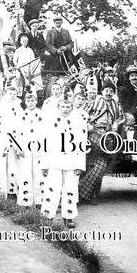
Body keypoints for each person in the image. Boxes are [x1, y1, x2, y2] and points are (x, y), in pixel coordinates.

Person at [40, 96, 87, 228]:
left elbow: (82, 145)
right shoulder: (50, 123)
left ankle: (69, 216)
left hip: (72, 161)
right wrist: (45, 164)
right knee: (52, 188)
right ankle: (47, 216)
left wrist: (80, 165)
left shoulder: (78, 123)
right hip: (55, 160)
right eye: (63, 107)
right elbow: (45, 144)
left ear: (72, 108)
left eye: (68, 107)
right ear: (58, 108)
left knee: (70, 188)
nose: (65, 109)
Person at [79, 81, 124, 204]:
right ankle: (84, 194)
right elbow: (82, 114)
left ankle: (83, 193)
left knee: (101, 166)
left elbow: (122, 117)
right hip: (95, 134)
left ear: (113, 93)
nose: (108, 93)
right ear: (102, 91)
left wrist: (116, 122)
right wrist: (88, 125)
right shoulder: (95, 102)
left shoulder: (116, 104)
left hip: (108, 137)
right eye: (106, 90)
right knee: (95, 162)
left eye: (111, 91)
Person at [16, 92, 47, 208]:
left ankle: (40, 201)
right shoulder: (20, 116)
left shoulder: (42, 115)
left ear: (36, 101)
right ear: (25, 102)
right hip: (25, 148)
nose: (30, 103)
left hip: (39, 148)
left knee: (39, 174)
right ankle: (25, 201)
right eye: (28, 101)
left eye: (32, 100)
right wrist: (18, 148)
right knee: (25, 174)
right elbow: (16, 133)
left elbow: (46, 133)